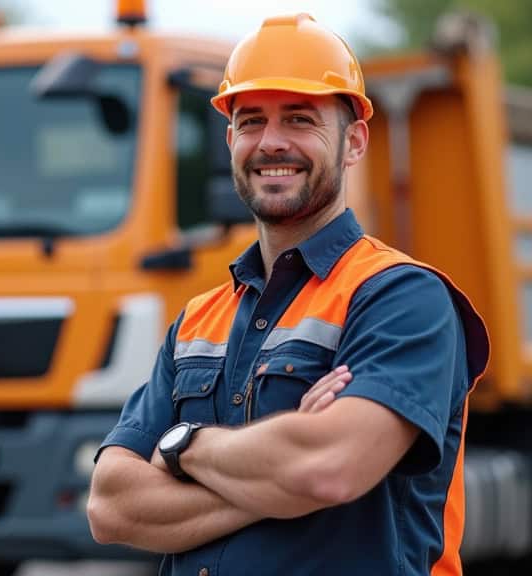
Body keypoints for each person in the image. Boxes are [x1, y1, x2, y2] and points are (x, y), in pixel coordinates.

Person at [87, 13, 490, 576]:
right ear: (230, 141)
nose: (271, 142)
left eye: (300, 119)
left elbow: (328, 468)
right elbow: (110, 505)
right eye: (251, 121)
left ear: (354, 143)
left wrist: (182, 446)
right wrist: (282, 475)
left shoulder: (402, 298)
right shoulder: (198, 320)